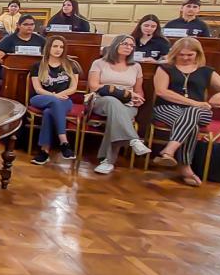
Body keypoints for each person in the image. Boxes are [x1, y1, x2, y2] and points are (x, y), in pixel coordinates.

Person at [151, 37, 220, 185]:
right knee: (192, 125)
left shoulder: (206, 71)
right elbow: (162, 92)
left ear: (198, 54)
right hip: (167, 108)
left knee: (192, 113)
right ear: (175, 53)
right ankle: (185, 167)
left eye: (190, 55)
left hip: (199, 112)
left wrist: (219, 95)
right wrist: (194, 103)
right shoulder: (165, 68)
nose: (185, 58)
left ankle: (169, 150)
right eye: (181, 54)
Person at [88, 35, 151, 174]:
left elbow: (138, 90)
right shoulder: (99, 63)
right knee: (113, 101)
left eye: (131, 45)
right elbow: (94, 86)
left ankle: (107, 161)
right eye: (125, 44)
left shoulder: (136, 66)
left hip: (128, 104)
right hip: (102, 100)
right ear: (116, 45)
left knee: (116, 117)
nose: (129, 47)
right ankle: (133, 139)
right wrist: (120, 93)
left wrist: (139, 98)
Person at [28, 36, 80, 165]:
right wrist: (54, 96)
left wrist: (59, 95)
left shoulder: (71, 65)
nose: (58, 49)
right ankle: (64, 142)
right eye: (55, 46)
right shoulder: (38, 65)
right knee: (54, 102)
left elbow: (73, 88)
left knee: (48, 112)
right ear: (48, 48)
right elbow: (38, 89)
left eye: (61, 47)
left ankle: (44, 151)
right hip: (41, 98)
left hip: (64, 100)